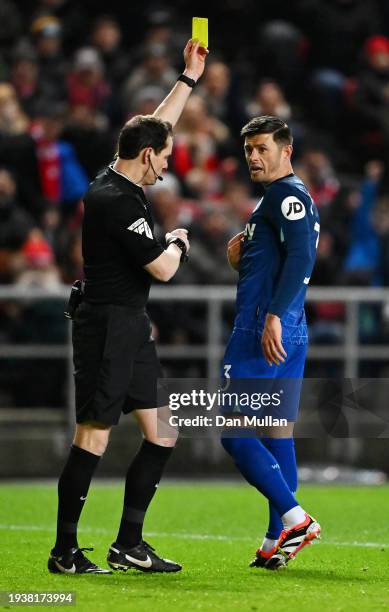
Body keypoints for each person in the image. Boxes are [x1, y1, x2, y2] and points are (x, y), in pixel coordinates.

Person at [48, 39, 207, 575]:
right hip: (106, 325)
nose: (166, 165)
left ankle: (128, 544)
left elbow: (156, 125)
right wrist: (180, 240)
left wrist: (187, 79)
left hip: (131, 326)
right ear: (146, 157)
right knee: (93, 434)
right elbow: (162, 269)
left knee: (163, 430)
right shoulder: (116, 201)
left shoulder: (117, 176)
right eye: (163, 157)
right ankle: (64, 552)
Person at [221, 116, 321, 570]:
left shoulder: (286, 197)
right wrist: (242, 256)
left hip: (264, 328)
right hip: (285, 326)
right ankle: (273, 540)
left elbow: (303, 256)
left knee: (232, 430)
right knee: (277, 432)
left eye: (263, 148)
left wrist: (274, 316)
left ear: (287, 151)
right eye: (249, 151)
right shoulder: (279, 201)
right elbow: (279, 259)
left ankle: (296, 519)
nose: (254, 158)